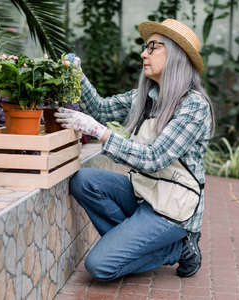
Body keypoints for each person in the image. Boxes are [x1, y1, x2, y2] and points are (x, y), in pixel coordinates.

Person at [55, 18, 215, 281]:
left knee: (99, 266)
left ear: (175, 55)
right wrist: (77, 74)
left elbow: (155, 158)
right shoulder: (145, 97)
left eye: (153, 47)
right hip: (144, 194)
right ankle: (136, 241)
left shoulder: (193, 106)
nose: (144, 53)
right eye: (146, 47)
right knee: (84, 181)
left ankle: (179, 247)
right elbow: (101, 109)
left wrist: (99, 132)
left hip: (172, 208)